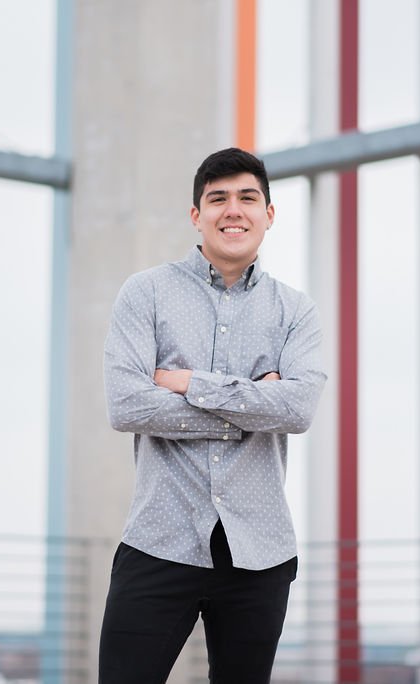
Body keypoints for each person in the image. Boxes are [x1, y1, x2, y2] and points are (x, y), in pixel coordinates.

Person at [99, 147, 326, 683]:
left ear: (269, 214)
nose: (233, 210)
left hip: (260, 552)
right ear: (196, 215)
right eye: (218, 198)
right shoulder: (146, 293)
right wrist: (253, 404)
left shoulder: (295, 310)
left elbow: (297, 409)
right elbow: (127, 404)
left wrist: (189, 384)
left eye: (248, 198)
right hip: (159, 540)